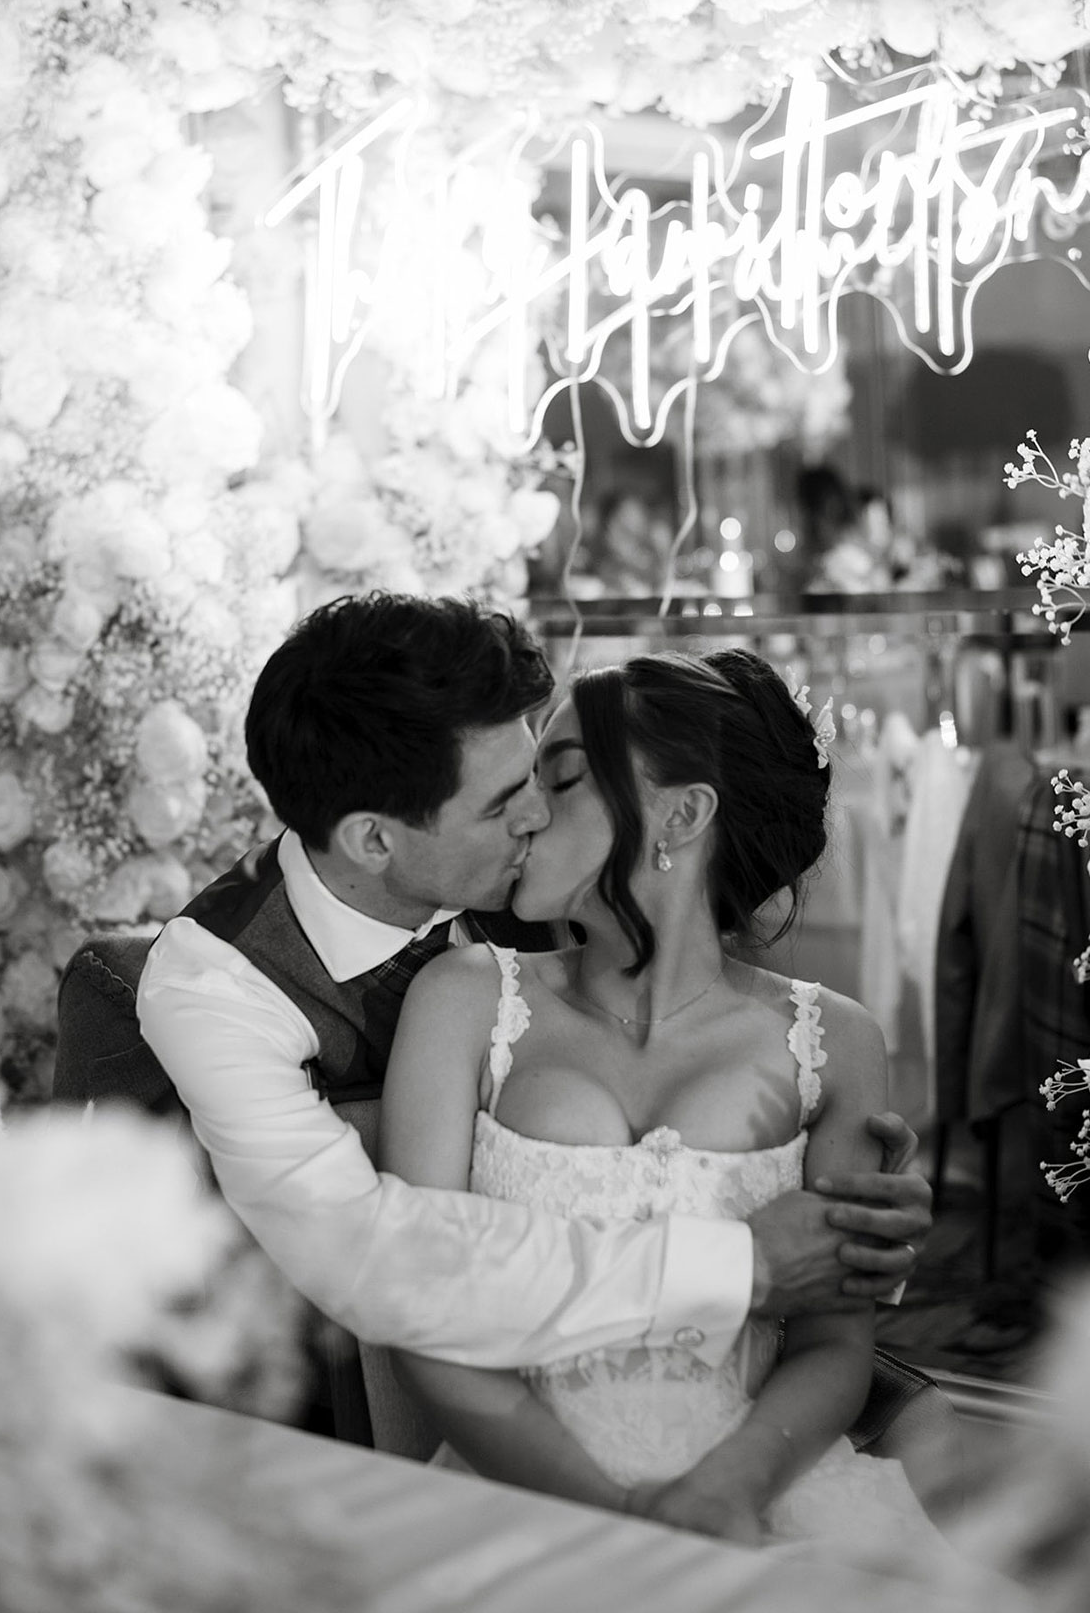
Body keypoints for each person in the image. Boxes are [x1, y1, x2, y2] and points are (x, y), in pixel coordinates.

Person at [137, 593, 930, 1378]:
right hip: (306, 1390)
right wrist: (741, 1263)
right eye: (503, 803)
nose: (535, 816)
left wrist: (853, 1228)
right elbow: (382, 1262)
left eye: (544, 775)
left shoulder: (551, 889)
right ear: (374, 840)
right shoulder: (217, 988)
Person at [379, 648, 939, 1544]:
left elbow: (835, 1346)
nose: (526, 812)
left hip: (756, 1489)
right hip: (521, 1493)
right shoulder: (465, 999)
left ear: (682, 814)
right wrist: (620, 1519)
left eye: (562, 779)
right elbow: (422, 1314)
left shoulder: (835, 1043)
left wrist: (723, 1490)